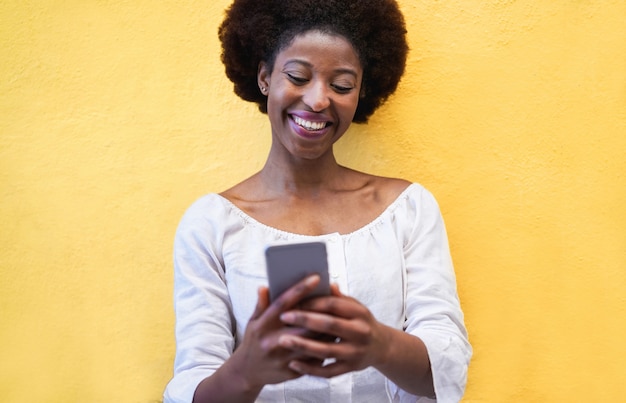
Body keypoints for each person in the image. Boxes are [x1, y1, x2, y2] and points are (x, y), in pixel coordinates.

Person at [163, 0, 472, 402]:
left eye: (342, 85)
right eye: (297, 76)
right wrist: (248, 368)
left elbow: (447, 374)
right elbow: (192, 386)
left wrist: (379, 344)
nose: (318, 100)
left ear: (361, 93)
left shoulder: (407, 210)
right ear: (264, 77)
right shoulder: (212, 224)